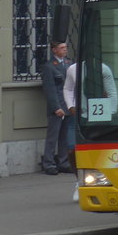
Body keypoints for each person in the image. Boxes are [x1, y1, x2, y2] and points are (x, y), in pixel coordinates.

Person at [63, 60, 118, 203]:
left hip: (99, 116)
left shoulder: (104, 69)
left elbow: (112, 92)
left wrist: (110, 114)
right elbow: (68, 89)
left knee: (99, 151)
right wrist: (70, 106)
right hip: (79, 116)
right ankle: (79, 181)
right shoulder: (73, 69)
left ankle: (101, 181)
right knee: (72, 150)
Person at [40, 41, 73, 175]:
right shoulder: (49, 67)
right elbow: (50, 89)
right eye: (61, 48)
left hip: (67, 105)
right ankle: (48, 163)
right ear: (54, 50)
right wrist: (56, 107)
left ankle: (63, 162)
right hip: (57, 107)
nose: (64, 50)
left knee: (64, 136)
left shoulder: (68, 64)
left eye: (65, 47)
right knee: (52, 137)